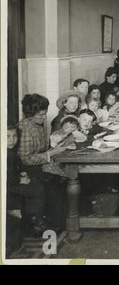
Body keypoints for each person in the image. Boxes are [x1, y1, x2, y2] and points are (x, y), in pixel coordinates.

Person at [18, 94, 68, 231]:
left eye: (45, 114)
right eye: (41, 115)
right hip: (27, 167)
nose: (45, 117)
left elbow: (43, 147)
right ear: (30, 114)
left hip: (39, 162)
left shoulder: (37, 123)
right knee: (53, 180)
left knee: (64, 173)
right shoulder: (24, 129)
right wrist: (51, 153)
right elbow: (26, 159)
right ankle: (45, 221)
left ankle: (60, 218)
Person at [7, 123, 46, 248]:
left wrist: (23, 172)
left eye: (14, 136)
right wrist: (19, 179)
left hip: (13, 182)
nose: (12, 140)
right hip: (8, 186)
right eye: (7, 137)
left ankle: (34, 219)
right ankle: (28, 218)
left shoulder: (12, 152)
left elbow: (19, 165)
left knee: (37, 184)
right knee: (36, 190)